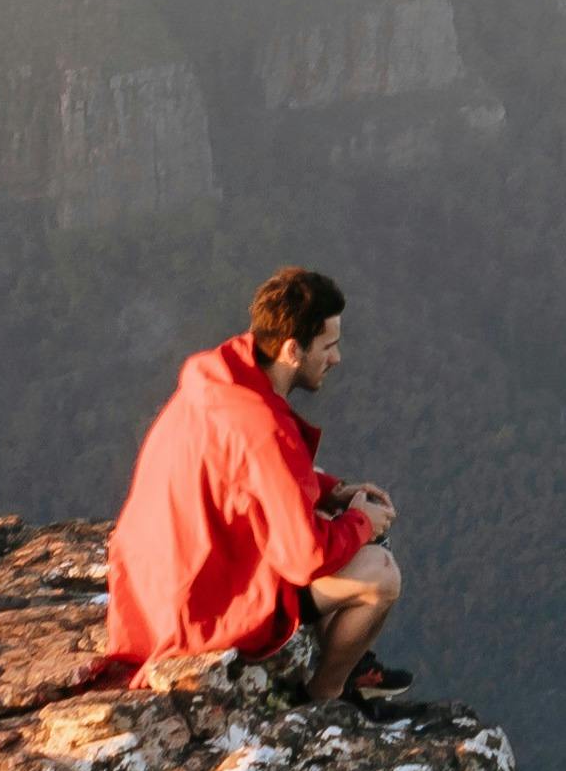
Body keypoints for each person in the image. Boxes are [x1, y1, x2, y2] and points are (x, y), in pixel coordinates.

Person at [103, 264, 408, 699]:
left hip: (153, 589)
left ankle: (345, 665)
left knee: (336, 515)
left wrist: (333, 492)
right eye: (329, 345)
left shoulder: (220, 377)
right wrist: (361, 522)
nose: (336, 358)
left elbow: (248, 475)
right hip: (200, 608)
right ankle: (328, 699)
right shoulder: (263, 427)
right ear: (291, 350)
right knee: (381, 572)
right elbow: (305, 557)